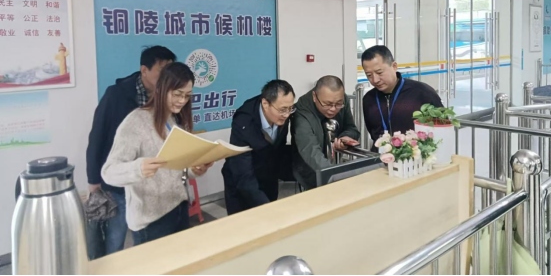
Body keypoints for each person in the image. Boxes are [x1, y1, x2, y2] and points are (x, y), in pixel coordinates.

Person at [101, 62, 213, 245]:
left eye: (187, 96)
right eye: (177, 94)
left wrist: (194, 169)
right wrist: (138, 168)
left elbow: (175, 168)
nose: (182, 101)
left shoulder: (174, 119)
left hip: (178, 207)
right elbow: (109, 172)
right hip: (150, 221)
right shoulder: (136, 122)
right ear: (161, 89)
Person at [85, 45, 175, 257]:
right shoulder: (116, 95)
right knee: (115, 238)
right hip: (120, 183)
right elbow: (97, 136)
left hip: (150, 183)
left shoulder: (167, 97)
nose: (167, 77)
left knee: (148, 238)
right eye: (162, 71)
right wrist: (93, 179)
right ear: (144, 70)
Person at [222, 80, 296, 215]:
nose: (287, 114)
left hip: (268, 175)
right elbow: (243, 175)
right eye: (282, 110)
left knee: (269, 220)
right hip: (241, 181)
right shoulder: (244, 121)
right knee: (245, 222)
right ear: (265, 104)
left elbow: (278, 150)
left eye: (290, 108)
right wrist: (266, 206)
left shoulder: (281, 115)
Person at [361, 45, 443, 149]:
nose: (375, 80)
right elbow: (373, 133)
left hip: (415, 156)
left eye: (379, 72)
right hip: (380, 156)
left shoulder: (422, 93)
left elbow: (442, 128)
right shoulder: (369, 99)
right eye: (369, 75)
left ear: (394, 66)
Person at [291, 75, 360, 190]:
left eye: (338, 104)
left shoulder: (341, 99)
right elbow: (310, 150)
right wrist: (335, 175)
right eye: (327, 104)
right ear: (314, 96)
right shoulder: (302, 111)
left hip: (335, 163)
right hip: (310, 170)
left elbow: (352, 129)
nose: (333, 109)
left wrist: (345, 137)